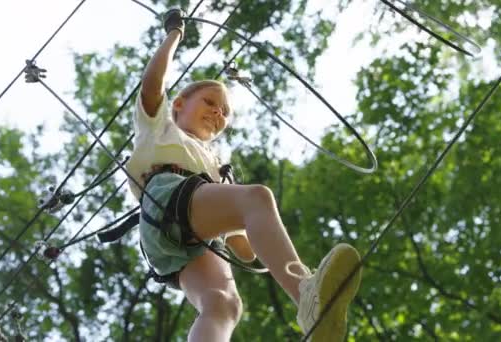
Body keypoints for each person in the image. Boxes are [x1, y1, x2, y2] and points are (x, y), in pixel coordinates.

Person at [126, 9, 362, 342]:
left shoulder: (214, 167)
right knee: (257, 196)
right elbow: (152, 86)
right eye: (209, 101)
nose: (217, 113)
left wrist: (262, 237)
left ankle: (305, 297)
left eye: (224, 113)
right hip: (166, 197)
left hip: (185, 237)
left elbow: (244, 249)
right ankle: (306, 295)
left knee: (223, 304)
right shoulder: (160, 127)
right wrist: (174, 35)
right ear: (178, 103)